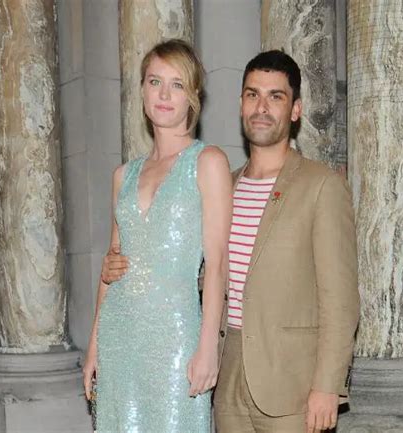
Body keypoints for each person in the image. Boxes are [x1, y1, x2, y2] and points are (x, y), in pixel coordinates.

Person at [101, 50, 360, 433]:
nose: (262, 107)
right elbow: (198, 264)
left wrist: (327, 386)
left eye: (276, 96)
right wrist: (121, 265)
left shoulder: (321, 185)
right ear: (240, 105)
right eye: (253, 95)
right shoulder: (223, 183)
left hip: (292, 381)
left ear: (295, 110)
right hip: (227, 371)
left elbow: (341, 299)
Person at [82, 39, 232, 433]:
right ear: (142, 91)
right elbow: (112, 265)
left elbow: (218, 264)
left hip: (176, 337)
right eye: (155, 82)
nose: (164, 95)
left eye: (176, 84)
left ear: (193, 96)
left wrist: (208, 347)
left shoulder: (208, 162)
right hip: (119, 336)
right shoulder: (123, 175)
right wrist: (94, 345)